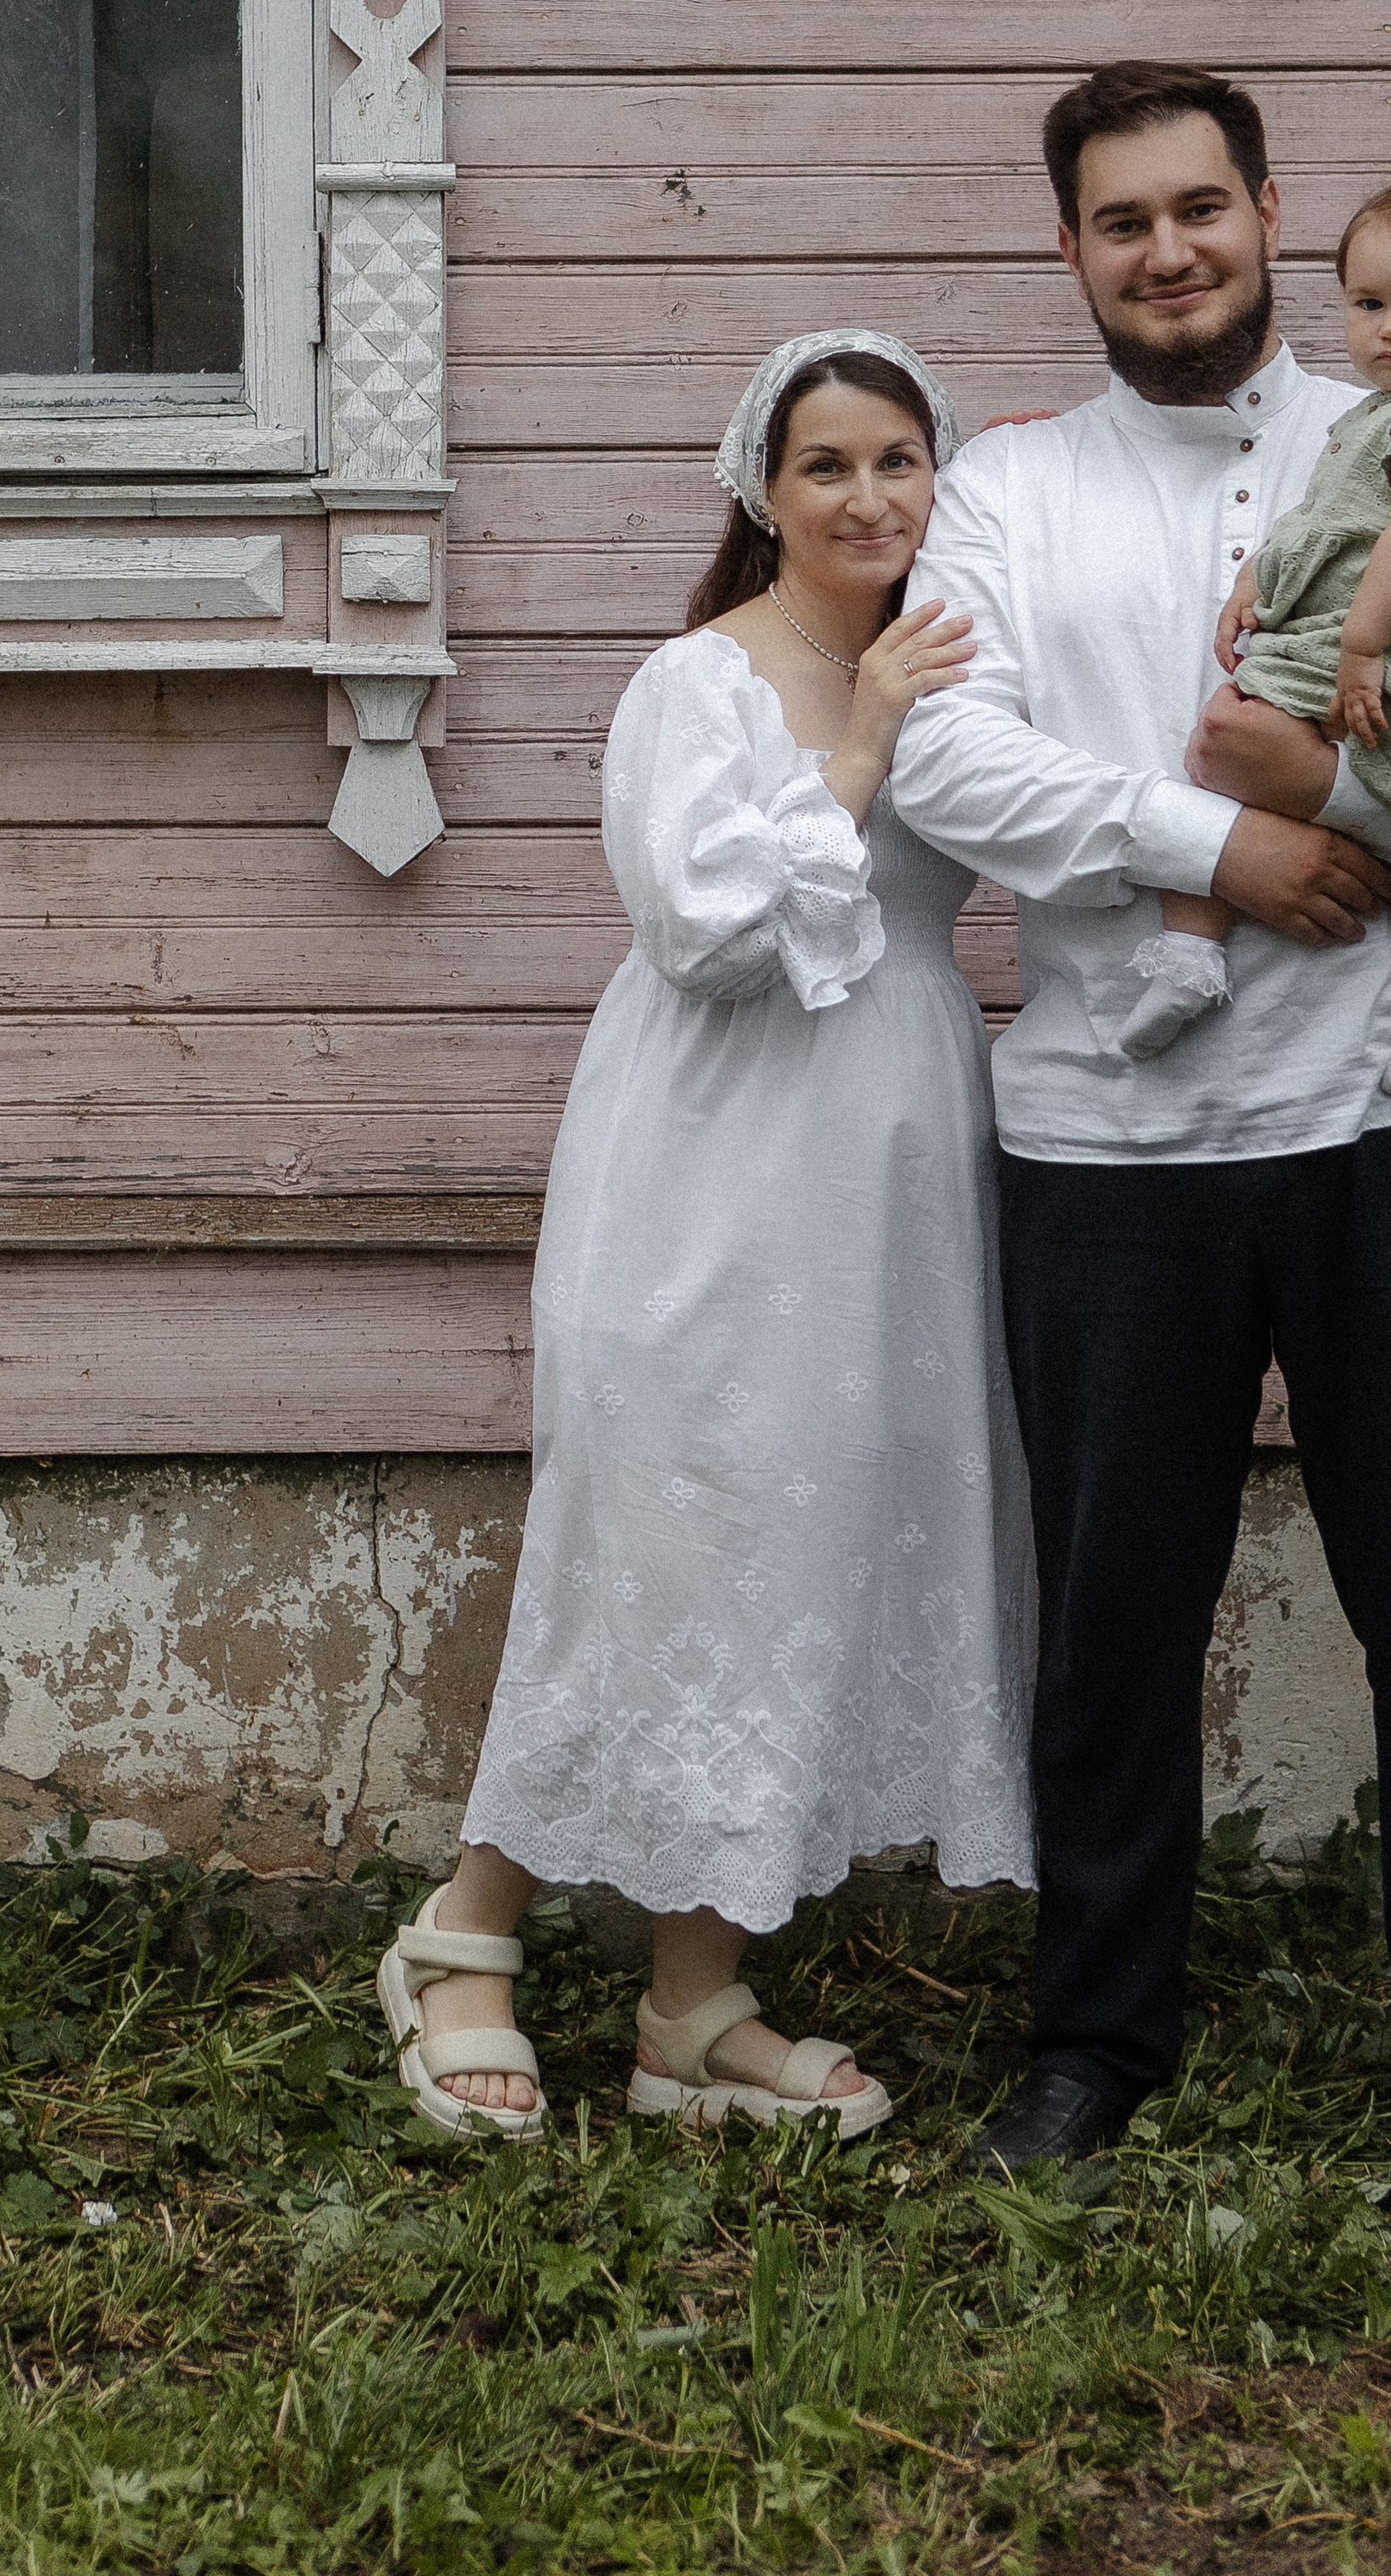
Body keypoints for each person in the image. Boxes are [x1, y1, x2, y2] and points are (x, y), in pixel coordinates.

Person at [889, 64, 1391, 2220]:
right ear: (1069, 249)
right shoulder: (1010, 488)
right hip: (1108, 1130)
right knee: (1112, 1616)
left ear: (1267, 212)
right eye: (1119, 220)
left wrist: (1340, 810)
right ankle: (1091, 2037)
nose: (1166, 250)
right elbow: (948, 763)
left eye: (1196, 206)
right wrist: (1215, 842)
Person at [377, 331, 1037, 2144]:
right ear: (763, 489)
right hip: (711, 1164)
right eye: (826, 465)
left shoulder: (951, 655)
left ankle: (691, 2009)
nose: (867, 498)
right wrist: (865, 739)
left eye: (898, 460)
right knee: (661, 1554)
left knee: (806, 1560)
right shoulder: (702, 679)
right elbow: (702, 927)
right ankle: (460, 1937)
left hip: (890, 1168)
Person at [1118, 175, 1391, 1099]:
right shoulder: (1374, 415)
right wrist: (1257, 580)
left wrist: (1360, 649)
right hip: (1377, 636)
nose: (1389, 329)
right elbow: (1329, 522)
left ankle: (1191, 952)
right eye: (1368, 305)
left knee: (1219, 751)